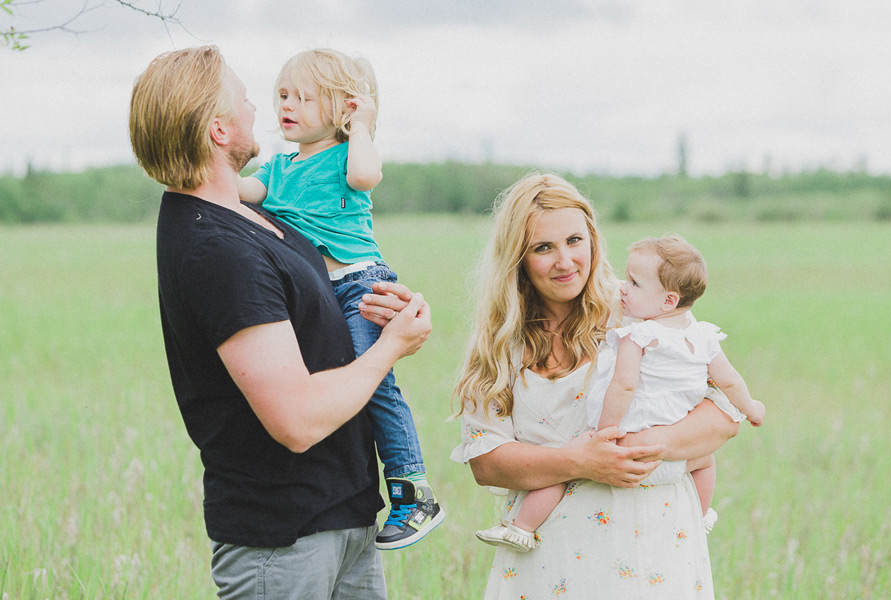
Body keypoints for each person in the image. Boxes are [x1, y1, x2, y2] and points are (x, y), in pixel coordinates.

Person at [128, 46, 431, 599]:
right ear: (219, 131)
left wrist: (382, 307)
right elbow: (295, 419)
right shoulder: (216, 247)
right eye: (244, 98)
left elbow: (325, 306)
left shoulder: (254, 217)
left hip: (342, 515)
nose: (256, 108)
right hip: (285, 540)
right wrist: (392, 347)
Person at [450, 173, 741, 598]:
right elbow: (486, 460)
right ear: (517, 258)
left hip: (655, 551)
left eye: (574, 240)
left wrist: (648, 445)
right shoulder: (499, 343)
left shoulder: (640, 312)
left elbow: (725, 414)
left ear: (592, 240)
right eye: (543, 248)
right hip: (548, 564)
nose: (565, 261)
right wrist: (580, 461)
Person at [236, 48, 443, 550]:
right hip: (314, 291)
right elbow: (239, 192)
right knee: (328, 388)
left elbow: (365, 178)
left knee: (374, 383)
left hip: (358, 284)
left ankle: (413, 493)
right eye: (283, 95)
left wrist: (364, 126)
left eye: (304, 98)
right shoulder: (279, 167)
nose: (288, 105)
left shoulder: (346, 156)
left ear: (342, 111)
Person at [477, 234, 765, 553]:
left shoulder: (637, 333)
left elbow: (624, 385)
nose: (623, 287)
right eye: (544, 246)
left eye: (634, 283)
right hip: (669, 463)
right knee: (706, 462)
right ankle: (701, 516)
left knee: (561, 472)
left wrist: (605, 432)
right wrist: (752, 408)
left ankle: (522, 527)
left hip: (627, 443)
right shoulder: (700, 334)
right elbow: (731, 383)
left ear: (668, 300)